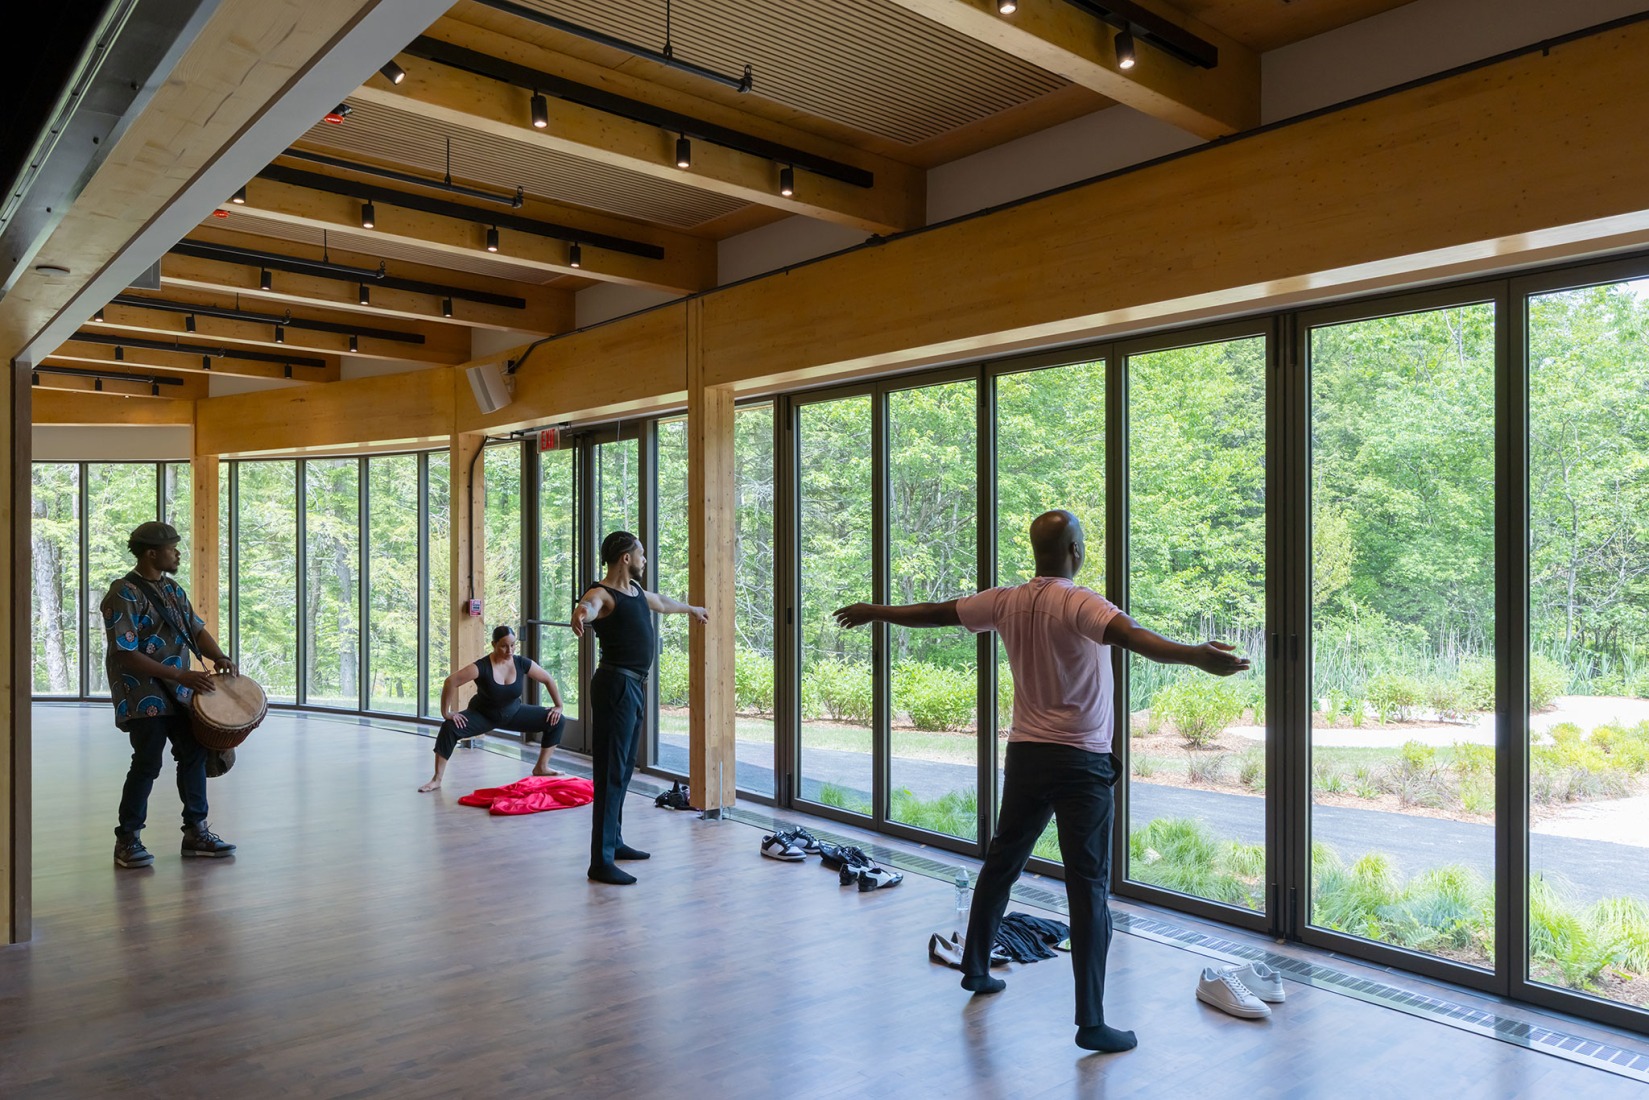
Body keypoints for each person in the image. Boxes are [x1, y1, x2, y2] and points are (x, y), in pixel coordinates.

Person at [834, 509, 1249, 1053]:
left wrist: (876, 611)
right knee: (1089, 886)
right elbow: (1135, 637)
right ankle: (1091, 1022)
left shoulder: (1004, 600)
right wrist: (1195, 656)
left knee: (1003, 861)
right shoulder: (1080, 602)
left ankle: (977, 968)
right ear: (1075, 549)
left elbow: (937, 613)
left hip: (1027, 755)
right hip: (1081, 765)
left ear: (1037, 550)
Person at [571, 531, 707, 885]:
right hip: (615, 686)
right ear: (626, 558)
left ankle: (613, 843)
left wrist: (691, 609)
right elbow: (589, 606)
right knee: (610, 771)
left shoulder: (634, 593)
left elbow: (660, 602)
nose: (645, 560)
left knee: (624, 769)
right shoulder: (603, 592)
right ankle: (599, 862)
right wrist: (580, 614)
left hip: (632, 686)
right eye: (641, 554)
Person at [104, 521, 239, 868]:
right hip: (143, 695)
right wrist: (180, 674)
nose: (178, 552)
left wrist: (220, 656)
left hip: (182, 691)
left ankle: (196, 831)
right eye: (172, 547)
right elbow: (125, 653)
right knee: (148, 762)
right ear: (152, 553)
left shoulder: (173, 590)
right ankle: (127, 840)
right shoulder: (123, 593)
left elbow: (196, 629)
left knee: (193, 756)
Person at [419, 625, 566, 793]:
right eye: (504, 645)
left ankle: (541, 767)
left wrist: (558, 706)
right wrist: (446, 713)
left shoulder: (521, 663)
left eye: (513, 645)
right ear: (493, 644)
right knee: (449, 728)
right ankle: (437, 779)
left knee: (557, 720)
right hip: (483, 715)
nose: (509, 650)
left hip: (513, 713)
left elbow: (548, 679)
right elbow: (451, 681)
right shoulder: (482, 666)